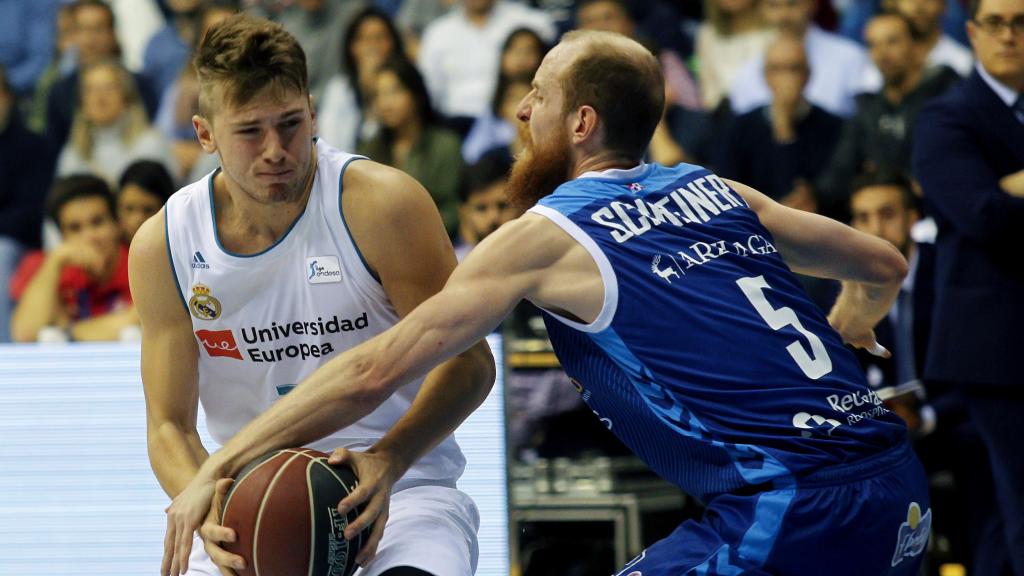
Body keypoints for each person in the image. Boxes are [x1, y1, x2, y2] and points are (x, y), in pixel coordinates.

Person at [165, 30, 931, 576]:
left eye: (537, 95)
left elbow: (375, 370)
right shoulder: (714, 188)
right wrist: (855, 315)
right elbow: (882, 261)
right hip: (897, 487)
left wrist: (220, 467)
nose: (520, 113)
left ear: (581, 123)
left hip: (793, 508)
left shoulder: (545, 235)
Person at [129, 14, 493, 576]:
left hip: (402, 490)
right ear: (205, 134)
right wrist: (207, 503)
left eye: (291, 124)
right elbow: (168, 426)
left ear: (314, 111)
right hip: (249, 499)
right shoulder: (164, 243)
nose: (276, 149)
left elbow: (469, 362)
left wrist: (390, 458)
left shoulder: (382, 204)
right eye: (250, 131)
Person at [912, 0, 1024, 571]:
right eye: (997, 23)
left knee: (1008, 522)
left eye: (1022, 22)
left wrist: (1012, 187)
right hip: (996, 349)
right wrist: (999, 195)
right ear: (973, 33)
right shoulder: (945, 117)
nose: (1010, 35)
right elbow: (982, 215)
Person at [816, 12, 959, 220]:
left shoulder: (948, 94)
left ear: (918, 47)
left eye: (892, 42)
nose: (882, 54)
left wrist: (879, 171)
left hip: (940, 216)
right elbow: (840, 173)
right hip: (882, 220)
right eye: (873, 45)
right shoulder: (868, 106)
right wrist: (813, 194)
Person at [717, 36, 842, 210]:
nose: (786, 78)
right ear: (765, 76)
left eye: (793, 69)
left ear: (808, 75)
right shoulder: (741, 126)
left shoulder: (834, 126)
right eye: (776, 69)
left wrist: (785, 132)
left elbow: (826, 192)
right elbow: (727, 189)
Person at [9, 174, 135, 342]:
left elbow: (139, 321)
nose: (89, 236)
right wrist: (55, 262)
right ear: (61, 236)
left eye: (97, 222)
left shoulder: (139, 265)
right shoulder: (42, 265)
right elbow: (25, 335)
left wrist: (67, 333)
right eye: (75, 228)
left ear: (117, 224)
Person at [357, 57, 464, 238]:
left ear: (416, 94)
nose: (385, 104)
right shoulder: (368, 150)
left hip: (436, 241)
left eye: (393, 92)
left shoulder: (446, 146)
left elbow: (453, 209)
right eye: (377, 95)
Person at [729, 0, 877, 118]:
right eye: (774, 6)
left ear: (812, 4)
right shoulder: (748, 71)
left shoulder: (851, 58)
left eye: (792, 4)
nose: (783, 16)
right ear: (761, 10)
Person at [0, 65, 55, 343]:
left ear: (8, 98)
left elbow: (32, 212)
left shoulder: (33, 146)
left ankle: (4, 350)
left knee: (1, 253)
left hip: (18, 242)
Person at [56, 60, 176, 185]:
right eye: (90, 90)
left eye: (108, 88)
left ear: (127, 98)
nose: (99, 97)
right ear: (82, 103)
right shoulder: (73, 153)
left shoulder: (150, 144)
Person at [453, 149, 514, 261]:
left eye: (503, 206)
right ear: (464, 213)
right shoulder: (452, 269)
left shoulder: (542, 264)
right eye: (481, 208)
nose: (493, 217)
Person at [895, 0, 975, 76]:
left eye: (927, 0)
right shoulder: (885, 62)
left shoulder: (962, 62)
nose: (918, 8)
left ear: (944, 6)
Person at [117, 159, 174, 245]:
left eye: (148, 210)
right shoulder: (106, 255)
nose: (137, 220)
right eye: (129, 209)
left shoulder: (180, 253)